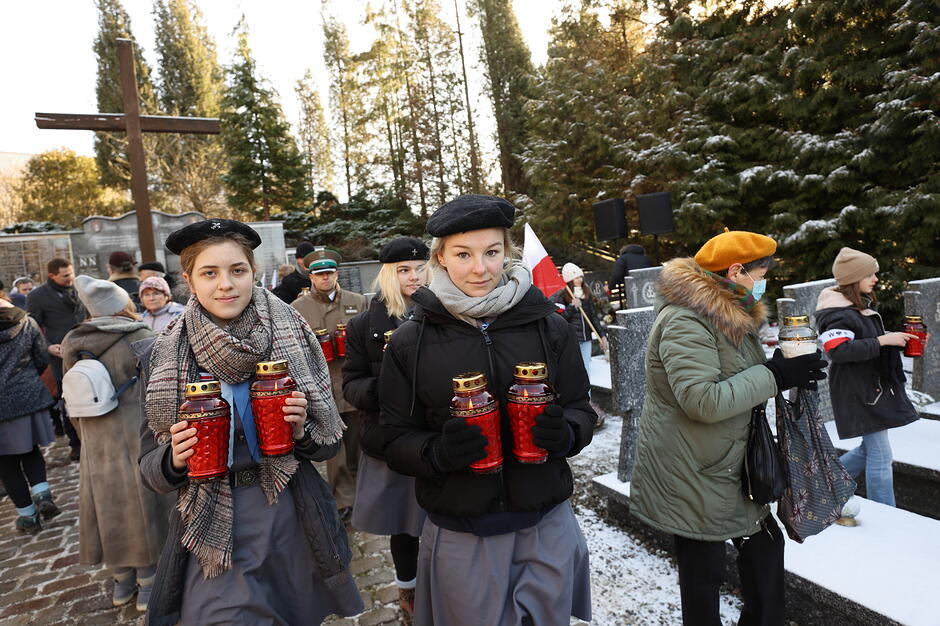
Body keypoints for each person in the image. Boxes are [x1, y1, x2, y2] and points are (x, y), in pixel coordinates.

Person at [379, 195, 596, 626]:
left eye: (492, 252)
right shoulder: (409, 341)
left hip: (545, 524)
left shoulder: (547, 324)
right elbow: (390, 437)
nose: (481, 269)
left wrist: (568, 432)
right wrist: (436, 453)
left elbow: (580, 409)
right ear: (439, 257)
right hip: (463, 532)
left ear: (507, 252)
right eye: (463, 254)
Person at [137, 218, 362, 625]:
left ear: (252, 273)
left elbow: (330, 443)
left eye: (236, 270)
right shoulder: (161, 356)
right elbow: (148, 469)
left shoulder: (292, 333)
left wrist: (301, 433)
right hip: (213, 523)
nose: (226, 284)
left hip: (290, 514)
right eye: (210, 273)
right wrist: (174, 459)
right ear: (189, 280)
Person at [630, 230, 828, 626]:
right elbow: (702, 399)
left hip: (727, 463)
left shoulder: (724, 312)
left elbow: (734, 373)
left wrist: (783, 367)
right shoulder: (686, 320)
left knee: (765, 554)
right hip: (692, 470)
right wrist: (775, 374)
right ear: (736, 271)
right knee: (704, 582)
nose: (763, 281)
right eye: (760, 273)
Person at [62, 276, 171, 610]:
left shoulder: (73, 341)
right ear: (123, 304)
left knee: (107, 506)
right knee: (145, 506)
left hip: (96, 438)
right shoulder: (141, 336)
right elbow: (161, 389)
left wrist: (86, 437)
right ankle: (150, 580)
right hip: (139, 431)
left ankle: (122, 582)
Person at [343, 237, 429, 624]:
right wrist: (384, 388)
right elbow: (350, 384)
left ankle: (447, 588)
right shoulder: (364, 324)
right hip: (392, 439)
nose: (414, 276)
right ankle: (408, 593)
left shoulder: (448, 312)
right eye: (404, 270)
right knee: (405, 526)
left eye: (420, 267)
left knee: (447, 522)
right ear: (389, 275)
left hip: (439, 434)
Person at [816, 247, 920, 507]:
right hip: (859, 391)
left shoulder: (854, 307)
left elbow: (864, 342)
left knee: (870, 449)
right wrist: (883, 340)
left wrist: (892, 340)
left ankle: (827, 485)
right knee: (881, 455)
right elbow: (838, 351)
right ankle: (887, 512)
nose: (875, 278)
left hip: (869, 389)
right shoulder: (838, 313)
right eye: (870, 274)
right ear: (854, 278)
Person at [292, 248, 369, 520]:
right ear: (310, 276)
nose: (324, 278)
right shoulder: (298, 309)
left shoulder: (358, 302)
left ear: (337, 273)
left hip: (354, 384)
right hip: (322, 389)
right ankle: (342, 499)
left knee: (359, 443)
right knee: (334, 449)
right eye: (319, 274)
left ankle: (363, 494)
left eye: (329, 273)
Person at [0, 292, 59, 535]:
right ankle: (42, 494)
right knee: (31, 451)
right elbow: (41, 356)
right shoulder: (27, 321)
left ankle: (28, 517)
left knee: (5, 463)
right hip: (27, 395)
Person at [27, 257, 85, 461]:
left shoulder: (80, 287)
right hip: (60, 358)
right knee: (68, 402)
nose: (71, 277)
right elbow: (32, 327)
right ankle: (75, 444)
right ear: (51, 276)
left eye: (71, 272)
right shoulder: (38, 296)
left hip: (87, 353)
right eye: (65, 275)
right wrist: (48, 346)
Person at [549, 262, 608, 373]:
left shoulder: (586, 293)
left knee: (586, 368)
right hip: (572, 339)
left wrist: (602, 335)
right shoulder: (562, 296)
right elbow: (560, 319)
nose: (580, 279)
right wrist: (572, 307)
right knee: (574, 370)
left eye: (580, 276)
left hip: (586, 339)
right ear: (570, 279)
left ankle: (587, 391)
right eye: (576, 277)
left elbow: (593, 316)